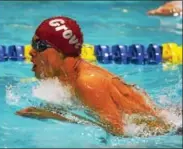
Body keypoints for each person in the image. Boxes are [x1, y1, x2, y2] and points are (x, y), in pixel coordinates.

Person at [16, 16, 176, 137]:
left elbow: (119, 132)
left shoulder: (87, 82)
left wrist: (55, 116)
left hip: (171, 131)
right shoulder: (68, 77)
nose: (31, 51)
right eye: (33, 45)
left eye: (40, 45)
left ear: (62, 51)